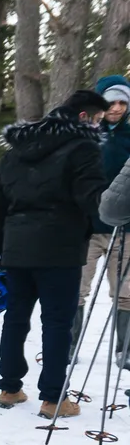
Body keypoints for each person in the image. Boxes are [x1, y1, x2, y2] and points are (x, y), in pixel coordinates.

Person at [0, 90, 108, 417]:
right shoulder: (83, 148)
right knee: (57, 323)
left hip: (17, 248)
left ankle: (10, 388)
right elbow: (90, 197)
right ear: (83, 117)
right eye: (97, 119)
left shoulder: (16, 152)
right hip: (60, 248)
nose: (98, 126)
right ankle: (54, 398)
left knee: (15, 318)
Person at [71, 75, 130, 366]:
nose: (117, 107)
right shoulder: (85, 134)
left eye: (123, 102)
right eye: (111, 101)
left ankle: (126, 350)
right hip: (88, 228)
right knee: (76, 287)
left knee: (126, 293)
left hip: (125, 229)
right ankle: (68, 346)